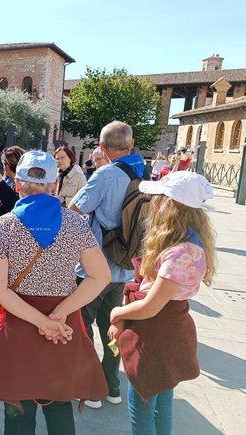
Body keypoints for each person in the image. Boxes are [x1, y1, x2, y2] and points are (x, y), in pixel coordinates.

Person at [0, 151, 111, 434]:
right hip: (63, 326)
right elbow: (100, 277)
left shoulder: (4, 226)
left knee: (18, 409)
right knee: (59, 405)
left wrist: (41, 322)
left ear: (17, 183)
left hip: (18, 323)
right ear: (55, 184)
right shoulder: (76, 224)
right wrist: (59, 314)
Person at [108, 171, 215, 434]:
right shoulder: (188, 242)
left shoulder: (180, 253)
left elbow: (150, 307)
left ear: (170, 206)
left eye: (159, 198)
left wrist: (117, 312)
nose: (153, 203)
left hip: (155, 335)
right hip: (168, 330)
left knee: (143, 404)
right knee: (161, 402)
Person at [69, 120, 146, 408]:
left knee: (81, 325)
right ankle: (112, 386)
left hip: (95, 267)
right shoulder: (145, 173)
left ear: (102, 147)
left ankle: (90, 388)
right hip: (126, 268)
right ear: (131, 143)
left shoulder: (105, 175)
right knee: (113, 327)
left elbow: (74, 210)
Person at [0, 146, 25, 222]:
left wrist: (0, 182)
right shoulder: (10, 181)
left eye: (3, 164)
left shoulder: (22, 183)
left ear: (8, 165)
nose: (4, 167)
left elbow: (15, 203)